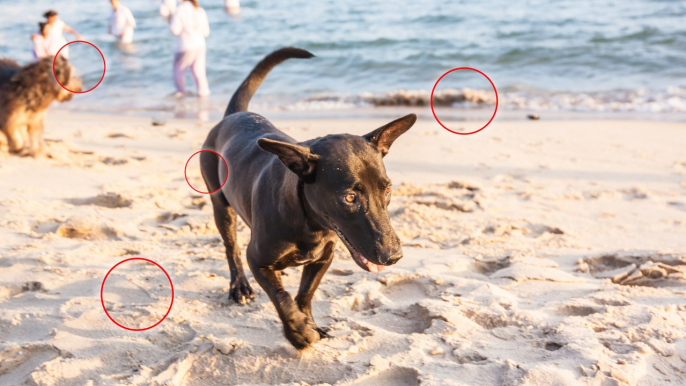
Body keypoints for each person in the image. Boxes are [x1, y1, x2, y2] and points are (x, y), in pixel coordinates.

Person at [170, 0, 210, 97]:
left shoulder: (179, 10)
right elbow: (206, 32)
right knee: (199, 74)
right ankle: (204, 97)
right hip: (200, 45)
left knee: (178, 73)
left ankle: (181, 96)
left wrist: (169, 18)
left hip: (185, 46)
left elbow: (175, 30)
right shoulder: (200, 10)